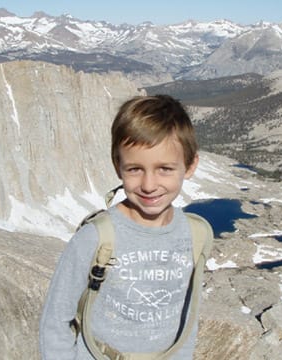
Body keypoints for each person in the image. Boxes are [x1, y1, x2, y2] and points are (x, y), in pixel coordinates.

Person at [39, 94, 211, 359]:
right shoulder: (95, 237)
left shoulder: (195, 235)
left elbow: (189, 315)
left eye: (164, 168)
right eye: (134, 169)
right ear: (117, 166)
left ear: (190, 166)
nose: (149, 184)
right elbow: (56, 317)